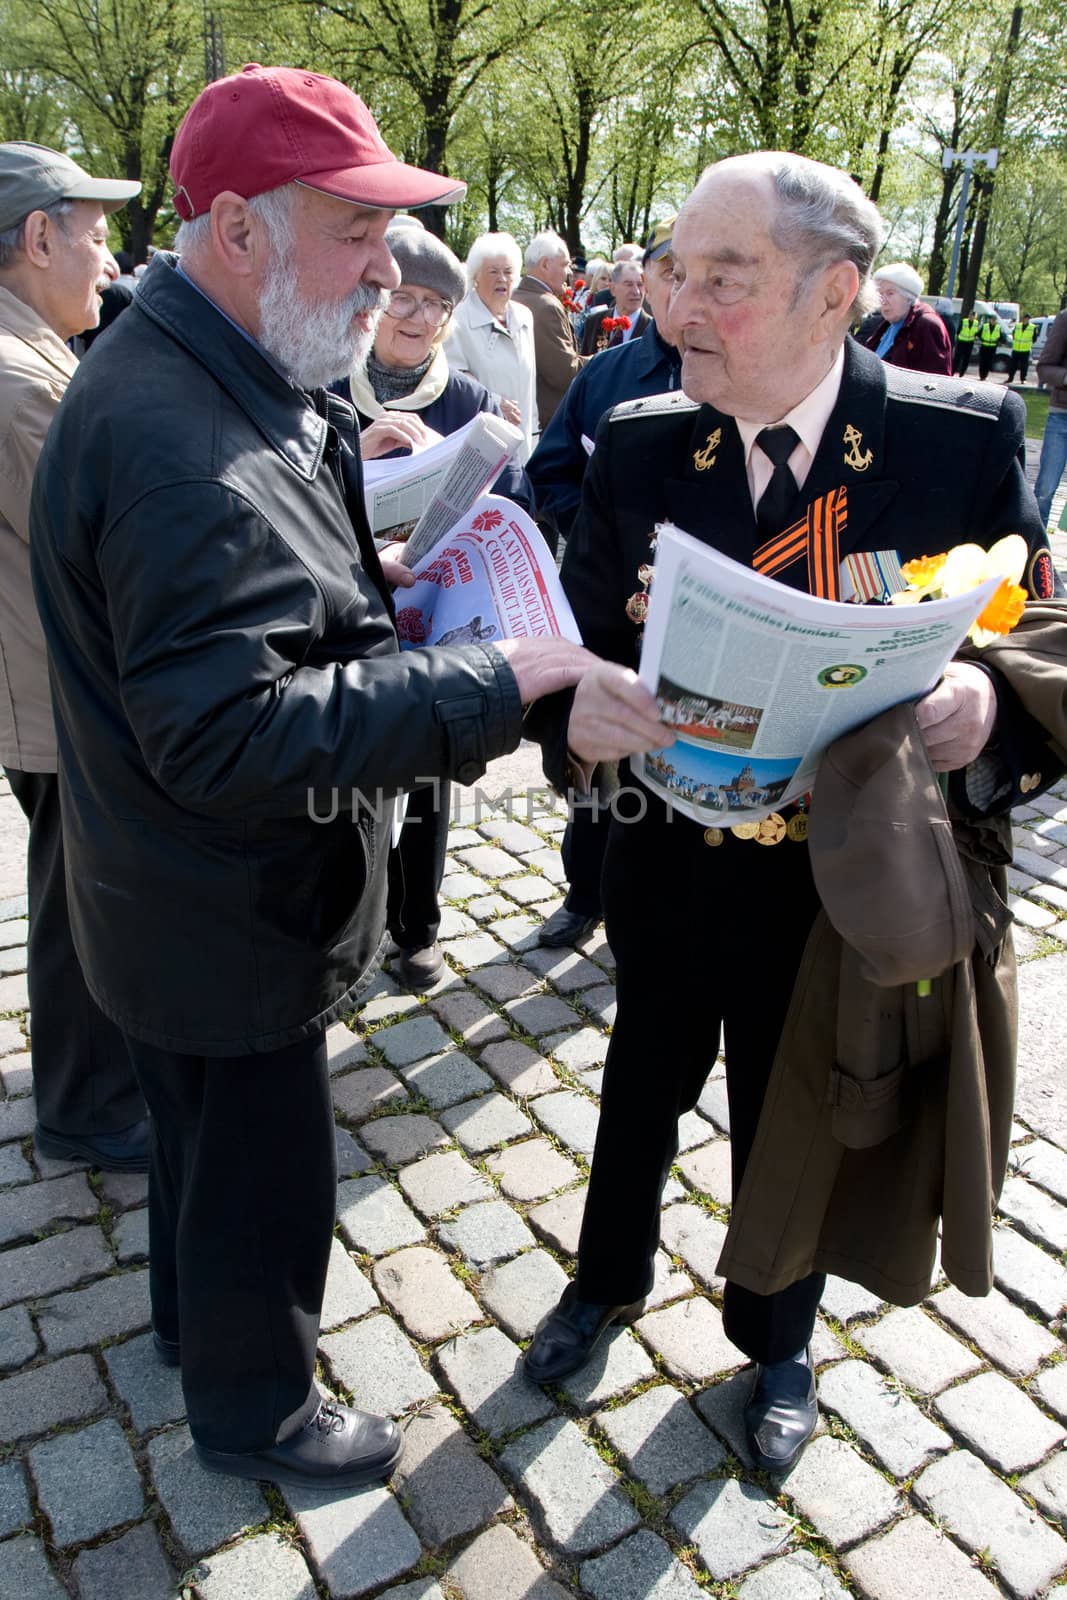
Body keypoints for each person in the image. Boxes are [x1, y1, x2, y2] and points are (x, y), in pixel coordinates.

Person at [29, 63, 594, 1492]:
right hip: (229, 903)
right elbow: (222, 732)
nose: (383, 272)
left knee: (198, 1152)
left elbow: (239, 617)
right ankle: (256, 1412)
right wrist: (487, 678)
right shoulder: (178, 441)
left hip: (172, 893)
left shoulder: (206, 365)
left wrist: (374, 580)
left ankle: (185, 1335)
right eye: (352, 234)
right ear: (234, 231)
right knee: (260, 1179)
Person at [523, 150, 1063, 1479]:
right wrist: (564, 715)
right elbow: (571, 640)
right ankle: (602, 1281)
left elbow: (1038, 632)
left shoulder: (954, 439)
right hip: (659, 860)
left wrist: (985, 707)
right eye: (671, 271)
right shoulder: (645, 442)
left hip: (834, 888)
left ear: (833, 295)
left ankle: (775, 1338)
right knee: (639, 1078)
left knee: (801, 1100)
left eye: (724, 279)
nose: (677, 309)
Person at [0, 141, 150, 1173]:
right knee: (70, 900)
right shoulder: (22, 382)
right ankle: (85, 1108)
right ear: (36, 236)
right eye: (92, 237)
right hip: (48, 693)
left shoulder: (34, 359)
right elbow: (100, 541)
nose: (106, 260)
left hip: (38, 680)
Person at [341, 222, 531, 990]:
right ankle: (349, 930)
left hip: (437, 618)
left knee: (424, 779)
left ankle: (416, 928)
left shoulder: (472, 399)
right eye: (401, 299)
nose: (417, 318)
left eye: (435, 305)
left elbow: (517, 510)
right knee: (343, 784)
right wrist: (358, 463)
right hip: (346, 616)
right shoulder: (319, 384)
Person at [529, 217, 681, 950]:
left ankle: (658, 904)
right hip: (613, 612)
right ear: (642, 279)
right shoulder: (605, 372)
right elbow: (549, 469)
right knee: (596, 761)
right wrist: (593, 531)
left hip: (698, 620)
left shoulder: (746, 369)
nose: (683, 288)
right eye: (668, 270)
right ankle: (583, 891)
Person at [448, 230, 538, 461]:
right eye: (493, 272)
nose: (502, 279)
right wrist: (495, 402)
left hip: (524, 439)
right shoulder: (458, 320)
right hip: (481, 440)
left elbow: (530, 383)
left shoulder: (524, 317)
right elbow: (455, 378)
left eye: (508, 272)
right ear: (476, 276)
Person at [513, 229, 586, 430]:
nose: (570, 272)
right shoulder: (547, 305)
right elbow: (565, 372)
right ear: (545, 264)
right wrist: (603, 360)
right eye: (565, 265)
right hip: (549, 421)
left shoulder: (516, 297)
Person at [861, 262, 951, 374]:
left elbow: (935, 381)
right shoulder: (888, 324)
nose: (883, 301)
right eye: (880, 294)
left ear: (908, 297)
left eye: (890, 293)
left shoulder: (927, 325)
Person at [1033, 308, 1067, 526]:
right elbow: (1044, 368)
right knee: (1045, 491)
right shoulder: (1065, 319)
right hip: (1062, 418)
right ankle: (1036, 550)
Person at [579, 260, 649, 355]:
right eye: (629, 284)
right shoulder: (594, 322)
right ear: (613, 289)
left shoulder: (653, 329)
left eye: (640, 285)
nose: (636, 292)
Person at [1008, 314, 1035, 384]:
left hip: (1025, 350)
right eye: (1025, 318)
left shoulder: (1033, 327)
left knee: (1024, 366)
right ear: (1023, 319)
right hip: (1016, 349)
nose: (1026, 320)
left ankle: (1023, 379)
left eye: (1027, 319)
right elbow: (1013, 335)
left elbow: (1034, 338)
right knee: (1013, 365)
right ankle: (1010, 378)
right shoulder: (1018, 326)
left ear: (1029, 319)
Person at [954, 307, 980, 375]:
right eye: (970, 315)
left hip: (970, 342)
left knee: (966, 358)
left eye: (972, 316)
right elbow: (958, 331)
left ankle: (962, 372)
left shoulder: (976, 323)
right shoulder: (964, 321)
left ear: (975, 317)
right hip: (961, 341)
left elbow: (976, 332)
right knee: (957, 357)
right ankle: (953, 370)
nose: (971, 317)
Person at [978, 313, 1002, 380]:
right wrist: (982, 339)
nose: (993, 321)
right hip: (984, 346)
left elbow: (1001, 337)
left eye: (994, 320)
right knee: (982, 361)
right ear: (990, 320)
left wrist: (998, 342)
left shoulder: (998, 327)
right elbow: (979, 334)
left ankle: (985, 375)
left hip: (992, 347)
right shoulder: (985, 326)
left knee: (989, 362)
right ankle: (981, 375)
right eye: (992, 320)